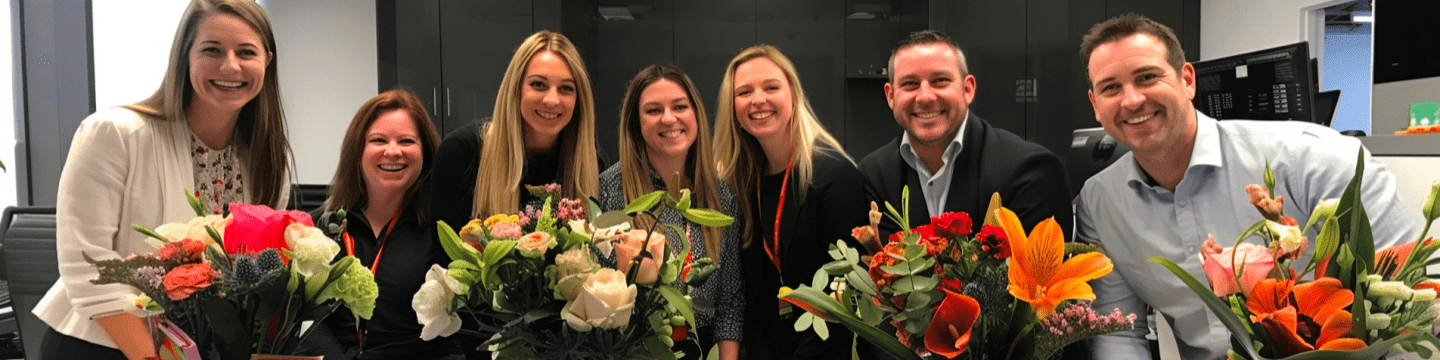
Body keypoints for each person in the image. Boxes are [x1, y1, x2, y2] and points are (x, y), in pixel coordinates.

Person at [1075, 14, 1423, 359]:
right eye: (1111, 88)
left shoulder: (1313, 157)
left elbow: (1410, 300)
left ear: (1187, 80)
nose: (1132, 100)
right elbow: (1119, 332)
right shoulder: (1100, 202)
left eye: (1147, 77)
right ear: (1095, 105)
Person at [35, 1, 293, 359]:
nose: (230, 65)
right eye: (211, 50)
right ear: (184, 57)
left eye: (246, 52)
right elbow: (88, 264)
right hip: (103, 344)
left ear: (267, 59)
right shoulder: (115, 134)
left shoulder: (266, 161)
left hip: (196, 349)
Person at [714, 44, 868, 360]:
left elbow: (841, 300)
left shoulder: (834, 177)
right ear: (733, 108)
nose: (758, 100)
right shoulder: (740, 183)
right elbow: (752, 300)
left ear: (793, 96)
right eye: (744, 92)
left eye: (771, 87)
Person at [858, 29, 1072, 242]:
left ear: (968, 89)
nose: (925, 96)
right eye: (910, 84)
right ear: (891, 96)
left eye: (940, 80)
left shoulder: (1030, 172)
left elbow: (1042, 273)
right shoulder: (873, 176)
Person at [597, 65, 744, 360]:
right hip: (634, 350)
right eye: (653, 110)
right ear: (635, 123)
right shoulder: (611, 190)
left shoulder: (721, 196)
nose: (668, 118)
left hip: (705, 349)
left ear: (696, 116)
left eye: (680, 106)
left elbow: (730, 301)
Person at [299, 89, 458, 359]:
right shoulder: (318, 227)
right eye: (378, 140)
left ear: (425, 151)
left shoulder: (444, 230)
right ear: (358, 150)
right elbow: (307, 319)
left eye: (406, 141)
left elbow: (455, 332)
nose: (393, 151)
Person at [429, 29, 601, 235]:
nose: (552, 100)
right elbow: (444, 262)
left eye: (566, 88)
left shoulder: (589, 163)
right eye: (538, 84)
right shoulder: (461, 154)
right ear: (515, 89)